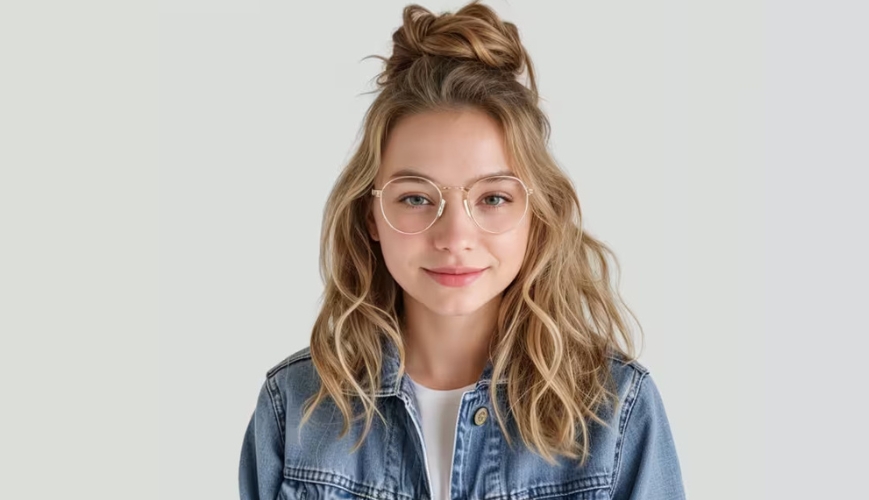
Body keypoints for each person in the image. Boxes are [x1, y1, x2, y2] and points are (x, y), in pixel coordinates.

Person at [239, 1, 685, 499]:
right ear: (370, 215)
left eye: (493, 198)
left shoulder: (616, 410)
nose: (454, 236)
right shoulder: (294, 408)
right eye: (415, 198)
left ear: (536, 215)